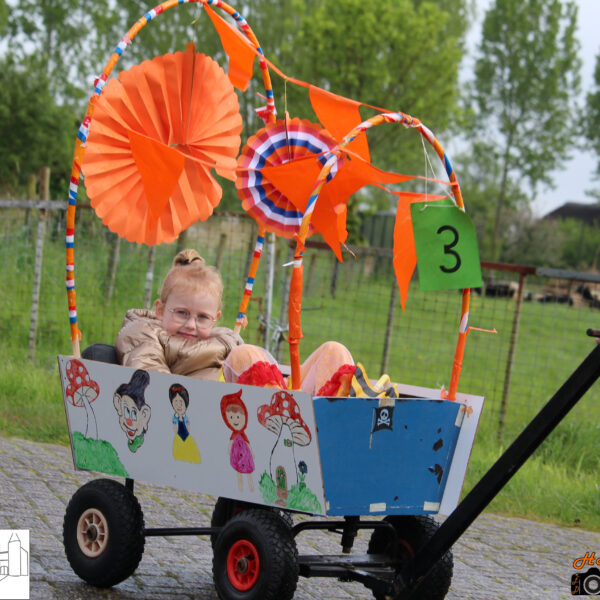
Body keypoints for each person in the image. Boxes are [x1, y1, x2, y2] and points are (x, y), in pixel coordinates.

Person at [115, 249, 356, 395]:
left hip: (253, 394)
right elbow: (153, 384)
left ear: (215, 319)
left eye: (202, 317)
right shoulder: (144, 332)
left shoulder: (223, 337)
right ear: (160, 310)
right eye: (181, 313)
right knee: (245, 355)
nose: (191, 325)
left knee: (334, 351)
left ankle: (326, 426)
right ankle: (286, 415)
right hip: (207, 407)